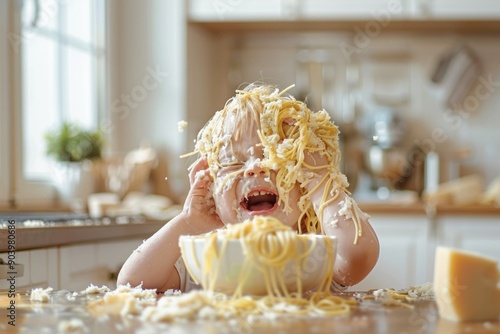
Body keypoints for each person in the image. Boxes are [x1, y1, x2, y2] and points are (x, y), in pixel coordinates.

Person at [117, 83, 379, 293]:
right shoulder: (207, 259)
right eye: (234, 162)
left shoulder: (316, 254)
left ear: (304, 183)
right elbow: (132, 284)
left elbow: (357, 260)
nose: (254, 168)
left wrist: (322, 180)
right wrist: (188, 222)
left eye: (276, 157)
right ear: (212, 189)